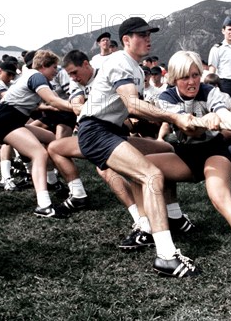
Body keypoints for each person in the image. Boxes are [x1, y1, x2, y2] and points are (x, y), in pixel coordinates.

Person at [76, 17, 200, 278]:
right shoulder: (120, 62)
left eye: (149, 34)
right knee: (151, 174)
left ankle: (166, 219)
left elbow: (133, 112)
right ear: (126, 40)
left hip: (111, 129)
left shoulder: (136, 68)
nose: (148, 38)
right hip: (95, 131)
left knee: (163, 149)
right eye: (141, 34)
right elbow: (133, 105)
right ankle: (166, 256)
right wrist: (175, 117)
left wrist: (174, 115)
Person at [148, 50, 231, 283]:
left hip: (214, 153)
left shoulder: (211, 91)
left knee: (219, 197)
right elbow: (188, 128)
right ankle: (161, 221)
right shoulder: (165, 98)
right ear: (174, 78)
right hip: (185, 155)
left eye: (196, 75)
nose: (192, 82)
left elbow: (223, 111)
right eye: (185, 77)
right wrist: (203, 123)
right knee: (144, 169)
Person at [0, 50, 75, 218]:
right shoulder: (37, 76)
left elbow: (49, 102)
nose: (56, 71)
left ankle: (51, 180)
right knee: (39, 153)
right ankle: (43, 206)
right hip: (5, 121)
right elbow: (52, 100)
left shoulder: (33, 76)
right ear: (43, 66)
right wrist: (78, 108)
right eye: (54, 67)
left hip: (13, 119)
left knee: (52, 141)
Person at [208, 16, 231, 115]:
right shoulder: (217, 49)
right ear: (223, 31)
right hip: (224, 86)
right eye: (229, 29)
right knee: (225, 114)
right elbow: (212, 70)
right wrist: (212, 88)